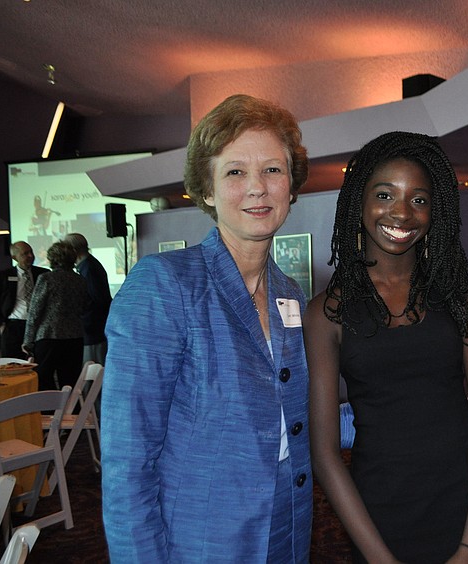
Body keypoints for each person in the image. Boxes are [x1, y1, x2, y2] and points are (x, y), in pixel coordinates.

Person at [100, 94, 312, 562]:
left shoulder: (291, 295)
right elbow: (128, 463)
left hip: (287, 528)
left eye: (272, 170)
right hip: (200, 541)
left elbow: (288, 417)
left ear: (291, 187)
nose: (257, 188)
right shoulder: (165, 284)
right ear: (208, 191)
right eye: (235, 172)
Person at [306, 131, 468, 563]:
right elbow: (324, 453)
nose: (401, 212)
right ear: (359, 202)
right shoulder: (327, 313)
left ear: (435, 212)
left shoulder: (458, 298)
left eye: (419, 199)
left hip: (466, 507)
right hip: (379, 517)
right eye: (385, 195)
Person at [22, 240, 87, 390]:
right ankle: (70, 406)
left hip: (48, 337)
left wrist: (28, 340)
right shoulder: (80, 280)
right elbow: (83, 307)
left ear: (53, 259)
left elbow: (35, 312)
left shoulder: (46, 279)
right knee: (70, 381)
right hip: (75, 337)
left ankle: (49, 406)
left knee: (44, 381)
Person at [64, 233, 112, 365]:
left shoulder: (89, 268)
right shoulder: (88, 265)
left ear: (73, 250)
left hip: (93, 329)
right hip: (93, 328)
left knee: (93, 368)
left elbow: (98, 299)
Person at [0, 241, 48, 359]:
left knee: (38, 361)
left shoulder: (43, 274)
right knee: (13, 362)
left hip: (39, 325)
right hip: (14, 326)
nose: (30, 256)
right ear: (14, 257)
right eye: (25, 253)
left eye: (31, 252)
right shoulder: (4, 276)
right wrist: (1, 324)